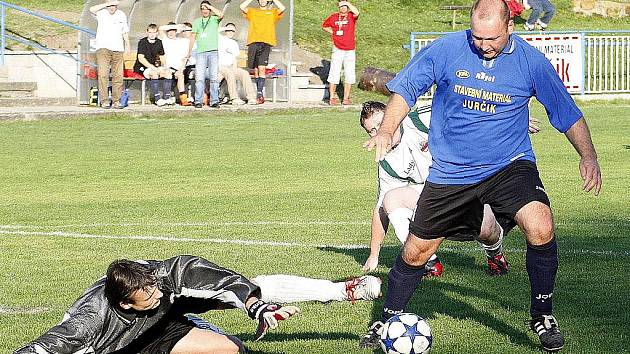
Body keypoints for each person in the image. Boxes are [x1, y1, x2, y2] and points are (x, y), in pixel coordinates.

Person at [360, 0, 601, 352]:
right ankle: (388, 316)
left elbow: (565, 111)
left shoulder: (532, 63)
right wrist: (386, 129)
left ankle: (542, 314)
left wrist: (588, 155)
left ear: (510, 28)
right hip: (452, 172)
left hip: (509, 164)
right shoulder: (446, 49)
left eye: (492, 38)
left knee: (541, 224)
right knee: (416, 251)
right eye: (477, 37)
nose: (484, 45)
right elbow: (405, 89)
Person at [14, 255, 380, 354]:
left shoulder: (165, 278)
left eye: (155, 287)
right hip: (125, 346)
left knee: (232, 347)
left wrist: (257, 307)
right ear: (125, 304)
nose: (156, 294)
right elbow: (44, 347)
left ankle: (341, 290)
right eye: (148, 297)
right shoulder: (89, 323)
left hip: (163, 327)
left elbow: (227, 283)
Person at [359, 101, 514, 277]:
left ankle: (495, 255)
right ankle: (428, 262)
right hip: (434, 198)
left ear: (392, 115)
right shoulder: (386, 161)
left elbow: (465, 109)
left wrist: (510, 119)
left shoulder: (421, 119)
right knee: (390, 199)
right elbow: (380, 209)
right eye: (372, 130)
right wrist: (373, 255)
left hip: (464, 186)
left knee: (487, 230)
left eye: (381, 124)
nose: (378, 132)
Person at [240, 0, 286, 104]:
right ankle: (257, 93)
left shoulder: (272, 12)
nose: (262, 1)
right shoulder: (253, 11)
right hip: (253, 41)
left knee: (262, 68)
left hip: (266, 42)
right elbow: (242, 6)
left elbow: (282, 8)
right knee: (255, 69)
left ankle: (260, 94)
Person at [89, 0, 131, 109]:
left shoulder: (121, 14)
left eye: (114, 5)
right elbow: (91, 9)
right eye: (110, 5)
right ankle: (104, 100)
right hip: (103, 48)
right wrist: (106, 4)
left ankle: (116, 100)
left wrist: (127, 44)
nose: (112, 7)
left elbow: (124, 30)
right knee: (103, 74)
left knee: (118, 76)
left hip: (118, 49)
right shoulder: (101, 13)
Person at [187, 1, 224, 109]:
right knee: (199, 78)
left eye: (206, 8)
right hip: (201, 53)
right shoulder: (197, 21)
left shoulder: (214, 19)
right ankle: (198, 101)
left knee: (213, 77)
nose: (205, 10)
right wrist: (189, 51)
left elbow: (221, 15)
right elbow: (193, 37)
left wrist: (210, 7)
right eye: (203, 8)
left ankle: (214, 101)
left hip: (213, 52)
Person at [322, 1, 359, 106]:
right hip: (337, 49)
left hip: (350, 49)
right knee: (334, 72)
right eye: (341, 6)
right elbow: (324, 26)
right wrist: (333, 32)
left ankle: (346, 98)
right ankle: (332, 97)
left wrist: (348, 3)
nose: (343, 8)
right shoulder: (334, 17)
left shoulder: (351, 16)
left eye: (345, 6)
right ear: (338, 7)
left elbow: (357, 12)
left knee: (349, 73)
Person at [134, 23, 173, 107]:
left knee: (168, 74)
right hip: (141, 67)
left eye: (154, 32)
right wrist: (152, 67)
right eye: (150, 32)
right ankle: (157, 99)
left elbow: (162, 56)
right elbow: (141, 58)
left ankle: (167, 98)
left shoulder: (159, 42)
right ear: (147, 32)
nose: (152, 34)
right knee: (154, 74)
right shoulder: (142, 42)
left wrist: (165, 67)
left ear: (157, 33)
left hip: (153, 66)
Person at [218, 23, 258, 105]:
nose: (231, 32)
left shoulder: (234, 43)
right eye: (229, 30)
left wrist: (235, 68)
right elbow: (214, 31)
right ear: (225, 30)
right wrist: (225, 27)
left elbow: (234, 58)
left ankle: (251, 97)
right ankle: (234, 98)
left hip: (231, 66)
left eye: (233, 31)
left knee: (244, 73)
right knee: (230, 74)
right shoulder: (220, 39)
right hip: (220, 66)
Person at [159, 22, 193, 106]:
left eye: (173, 30)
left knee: (180, 74)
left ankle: (183, 99)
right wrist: (176, 26)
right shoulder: (165, 40)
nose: (171, 32)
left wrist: (182, 68)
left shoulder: (182, 41)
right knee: (173, 74)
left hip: (180, 67)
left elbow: (185, 57)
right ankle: (170, 98)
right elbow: (160, 28)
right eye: (169, 30)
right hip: (168, 67)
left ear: (176, 32)